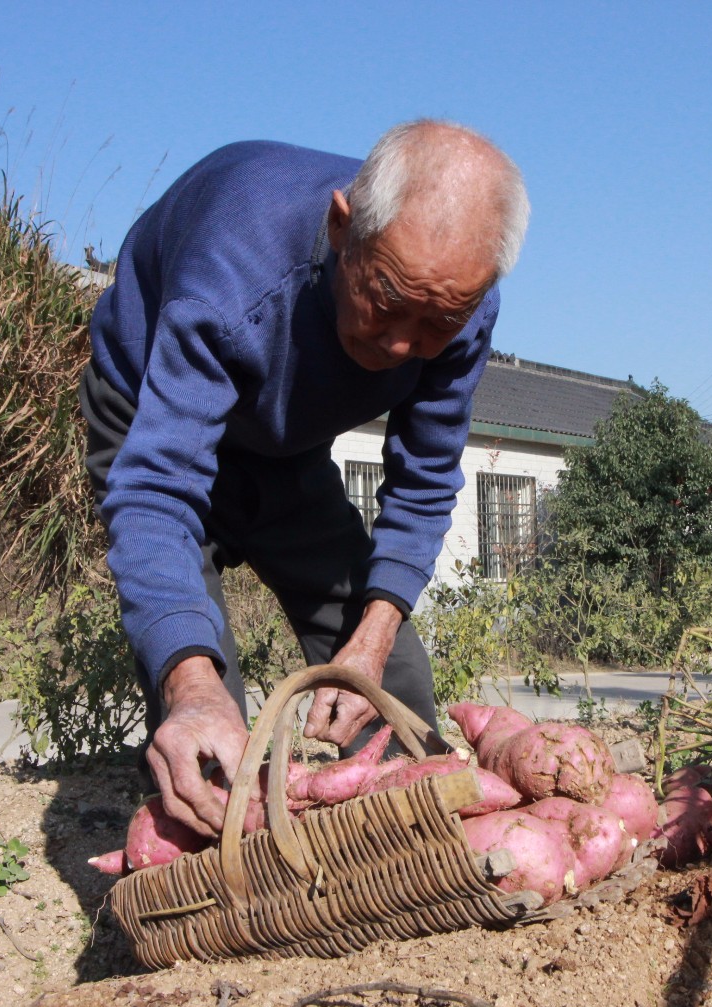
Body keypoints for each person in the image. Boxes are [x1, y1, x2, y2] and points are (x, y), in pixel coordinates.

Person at [80, 120, 528, 838]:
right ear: (341, 226)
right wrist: (191, 685)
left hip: (286, 447)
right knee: (207, 748)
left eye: (436, 321)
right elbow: (157, 493)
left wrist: (372, 641)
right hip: (150, 414)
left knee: (394, 699)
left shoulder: (458, 297)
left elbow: (425, 478)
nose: (402, 345)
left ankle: (399, 862)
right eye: (387, 301)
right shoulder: (235, 269)